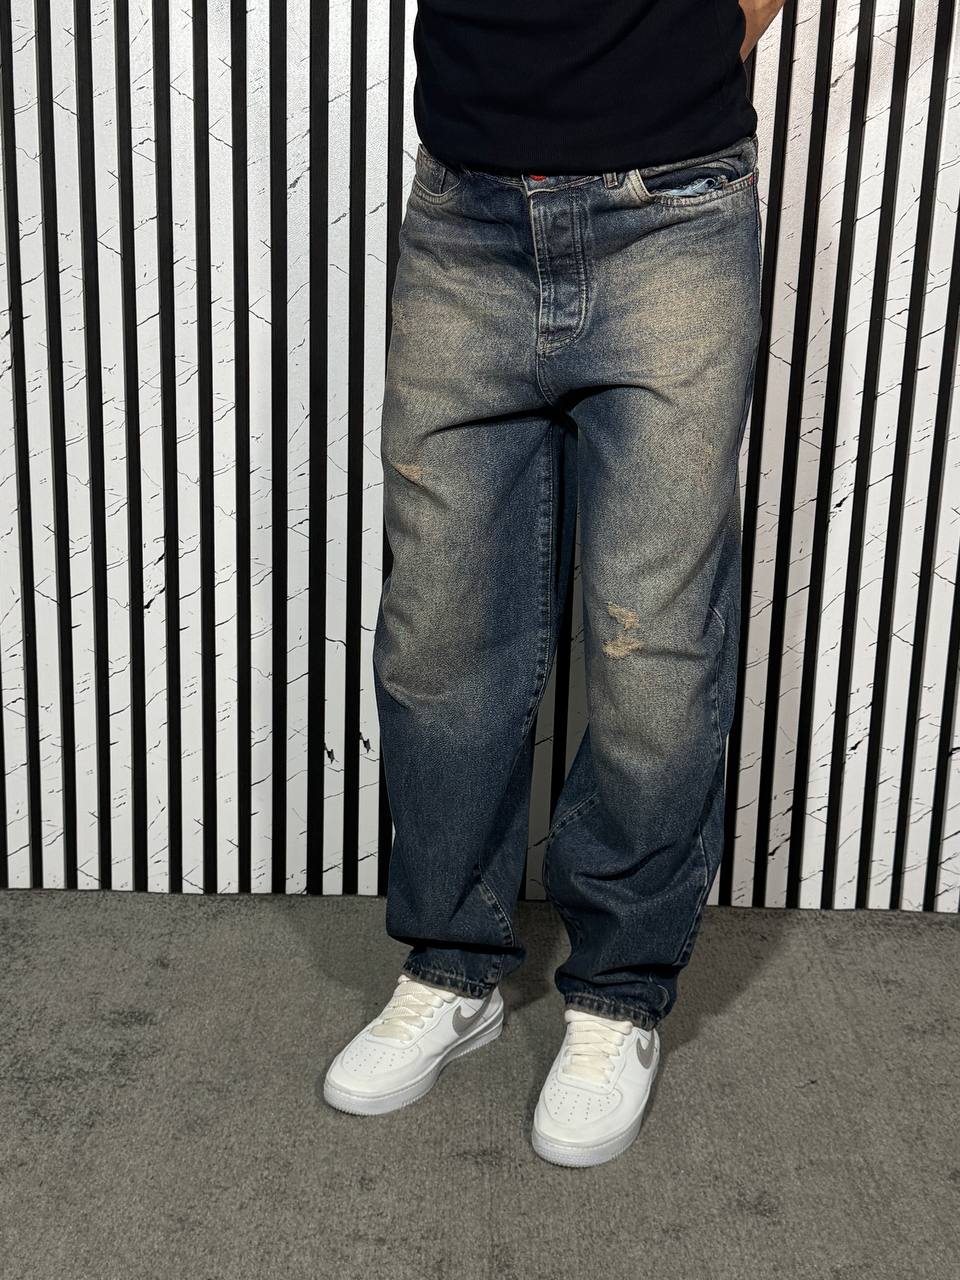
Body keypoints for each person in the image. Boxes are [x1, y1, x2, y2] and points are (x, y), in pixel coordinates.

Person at [324, 0, 787, 1167]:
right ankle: (451, 967)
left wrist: (719, 26)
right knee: (436, 634)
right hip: (463, 208)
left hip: (674, 210)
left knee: (653, 644)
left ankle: (618, 993)